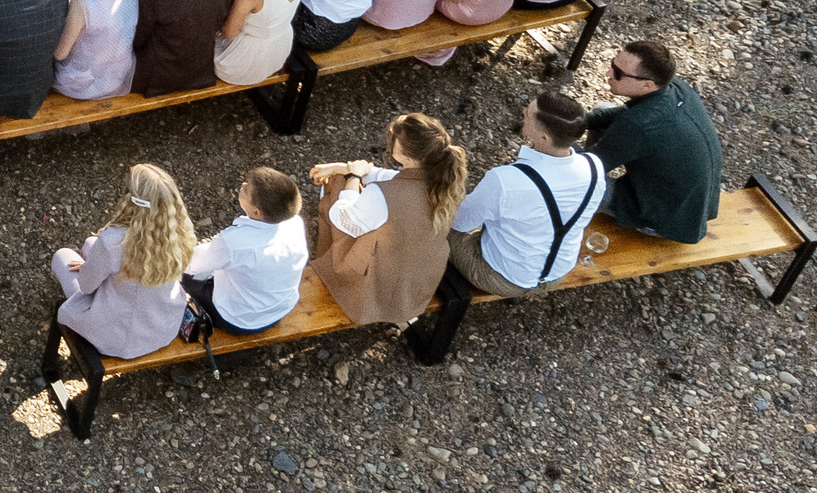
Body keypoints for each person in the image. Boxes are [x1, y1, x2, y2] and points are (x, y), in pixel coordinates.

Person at [307, 113, 470, 326]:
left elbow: (342, 219)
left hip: (379, 283)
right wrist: (345, 167)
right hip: (418, 279)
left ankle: (331, 268)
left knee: (338, 187)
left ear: (409, 157)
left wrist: (351, 178)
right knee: (345, 179)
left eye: (395, 139)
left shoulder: (382, 196)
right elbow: (388, 176)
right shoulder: (447, 182)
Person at [447, 91, 606, 299]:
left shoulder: (505, 181)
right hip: (557, 272)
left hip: (503, 277)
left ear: (544, 136)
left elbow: (460, 222)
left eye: (529, 113)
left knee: (442, 220)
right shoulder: (594, 167)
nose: (523, 111)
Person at [50, 163, 195, 358]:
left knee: (62, 256)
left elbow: (86, 286)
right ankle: (93, 260)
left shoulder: (114, 240)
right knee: (91, 242)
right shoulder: (181, 230)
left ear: (131, 200)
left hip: (119, 338)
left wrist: (90, 268)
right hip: (163, 327)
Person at [586, 41, 722, 244]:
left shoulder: (637, 125)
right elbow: (626, 115)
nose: (608, 73)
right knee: (601, 109)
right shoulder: (677, 87)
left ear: (647, 84)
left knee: (567, 170)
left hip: (662, 220)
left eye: (618, 73)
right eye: (612, 64)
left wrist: (552, 136)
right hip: (691, 206)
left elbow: (583, 170)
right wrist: (581, 120)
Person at [183, 168, 310, 335]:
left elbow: (189, 263)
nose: (242, 186)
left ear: (257, 212)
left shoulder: (234, 243)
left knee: (184, 277)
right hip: (280, 309)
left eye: (247, 189)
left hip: (238, 320)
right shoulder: (295, 223)